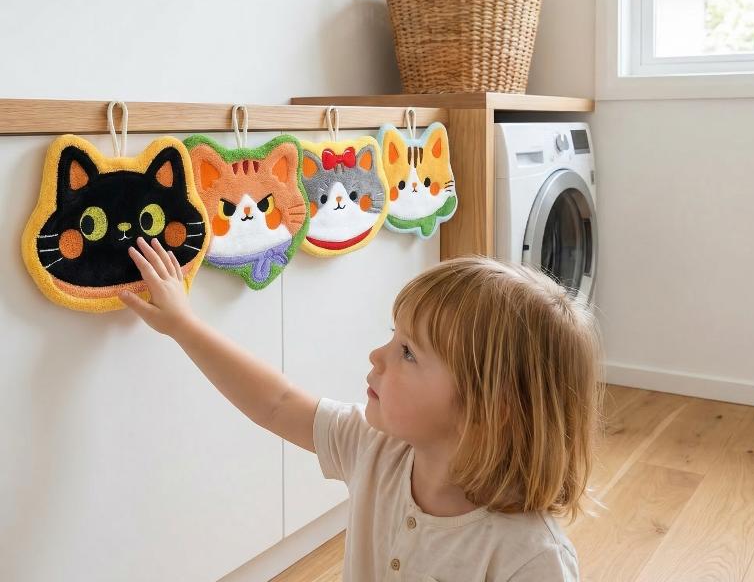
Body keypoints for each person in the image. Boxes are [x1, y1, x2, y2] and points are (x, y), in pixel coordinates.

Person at [121, 236, 603, 581]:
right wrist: (183, 325)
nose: (377, 356)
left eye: (408, 352)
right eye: (394, 337)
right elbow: (276, 403)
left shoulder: (531, 559)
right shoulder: (378, 448)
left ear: (489, 408)